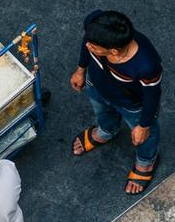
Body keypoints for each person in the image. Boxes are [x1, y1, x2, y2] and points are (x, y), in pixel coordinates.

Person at [70, 10, 163, 195]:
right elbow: (86, 44)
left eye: (94, 47)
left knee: (144, 138)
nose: (88, 46)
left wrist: (143, 125)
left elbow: (153, 95)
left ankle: (146, 162)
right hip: (96, 86)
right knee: (102, 113)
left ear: (113, 51)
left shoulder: (146, 65)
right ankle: (107, 131)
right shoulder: (95, 27)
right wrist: (81, 70)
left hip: (131, 104)